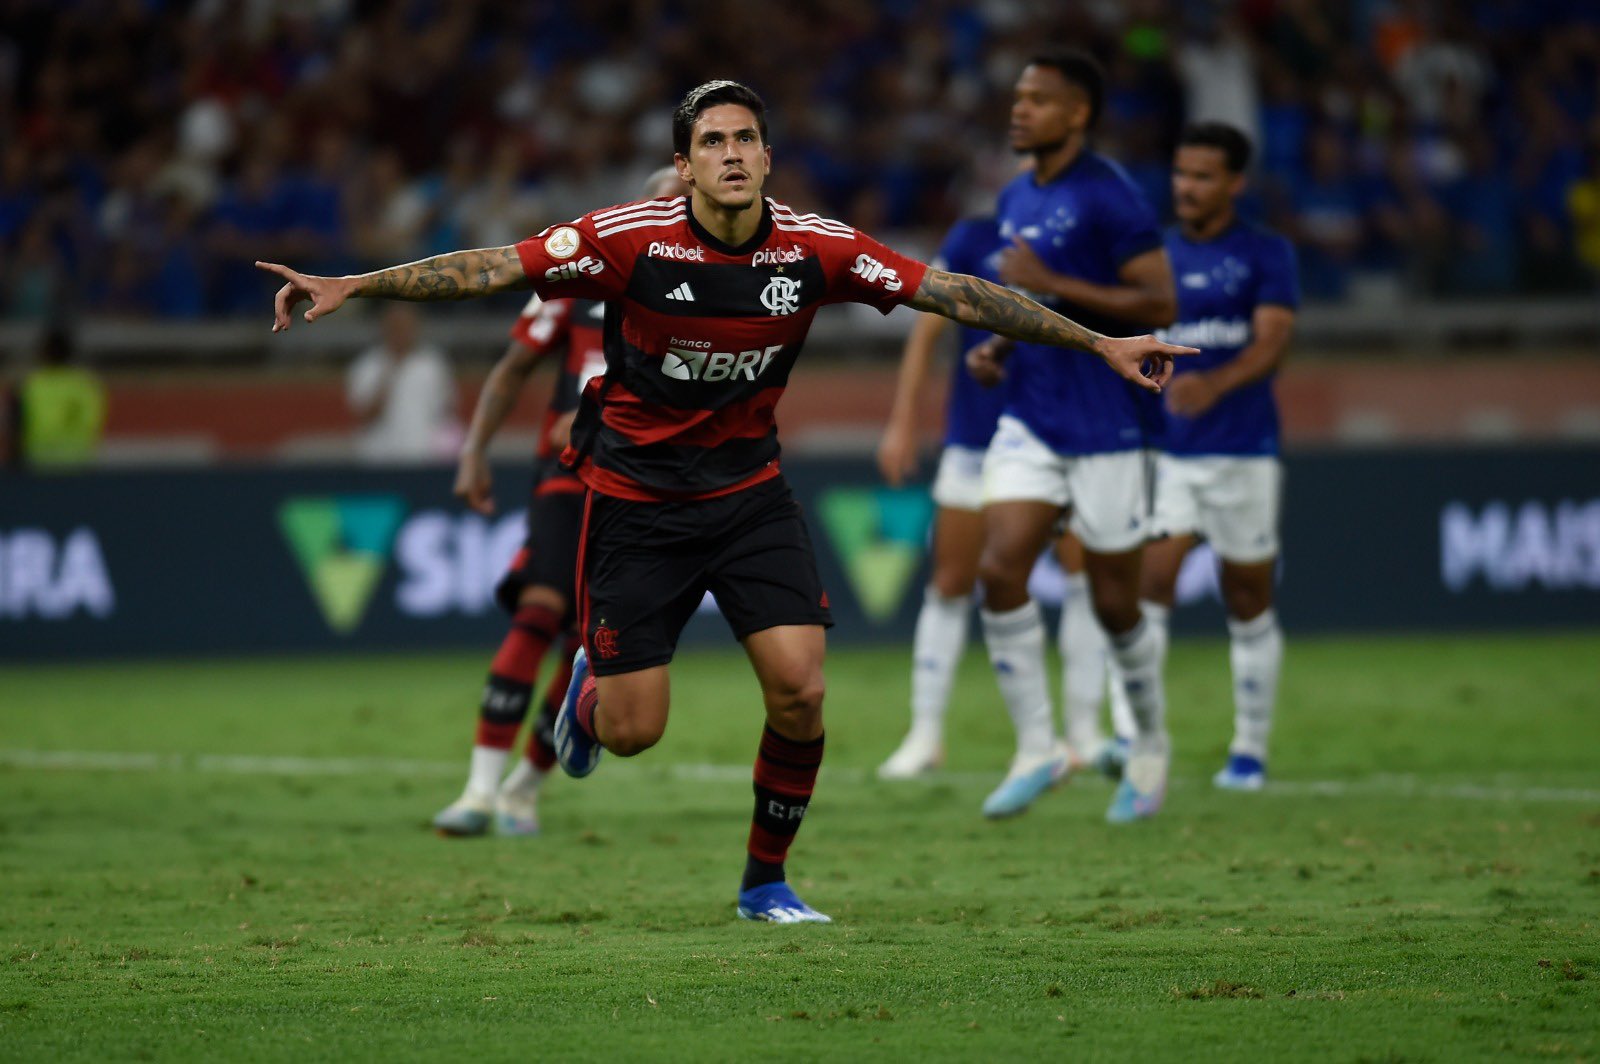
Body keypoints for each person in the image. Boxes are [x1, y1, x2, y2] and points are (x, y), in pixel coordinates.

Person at [257, 80, 1191, 924]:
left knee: (802, 689)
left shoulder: (817, 249)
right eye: (713, 141)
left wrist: (1100, 342)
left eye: (747, 138)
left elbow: (953, 293)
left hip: (750, 496)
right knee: (635, 733)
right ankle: (585, 701)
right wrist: (355, 283)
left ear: (769, 158)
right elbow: (494, 265)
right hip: (634, 504)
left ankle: (764, 883)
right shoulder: (630, 240)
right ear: (684, 163)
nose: (733, 153)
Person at [431, 168, 689, 838]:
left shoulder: (712, 298)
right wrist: (474, 451)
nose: (667, 211)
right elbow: (513, 367)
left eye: (679, 204)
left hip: (647, 487)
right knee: (540, 610)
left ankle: (525, 787)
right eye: (657, 199)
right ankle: (479, 791)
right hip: (569, 477)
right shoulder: (579, 278)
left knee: (588, 643)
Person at [966, 51, 1179, 822]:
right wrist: (1000, 346)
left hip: (1112, 422)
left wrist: (1056, 286)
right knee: (999, 569)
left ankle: (1149, 745)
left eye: (1038, 100)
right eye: (1017, 97)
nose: (1019, 110)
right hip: (1033, 412)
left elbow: (1160, 298)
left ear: (1078, 114)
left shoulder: (1110, 196)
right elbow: (1030, 300)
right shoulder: (1017, 193)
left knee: (1117, 602)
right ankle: (1039, 748)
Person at [1140, 122, 1299, 792]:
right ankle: (1139, 738)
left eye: (1203, 176)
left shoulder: (1267, 253)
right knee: (1152, 580)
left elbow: (1272, 344)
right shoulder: (1155, 257)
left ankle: (1250, 750)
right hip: (1170, 455)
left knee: (1247, 598)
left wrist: (1217, 382)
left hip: (1244, 451)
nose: (1187, 187)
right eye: (1181, 173)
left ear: (1235, 184)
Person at [346, 304, 461, 463]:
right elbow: (365, 415)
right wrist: (390, 372)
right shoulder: (368, 366)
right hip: (377, 458)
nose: (401, 333)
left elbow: (447, 412)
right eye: (395, 327)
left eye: (406, 326)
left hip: (423, 456)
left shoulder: (432, 364)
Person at [17, 327, 106, 469]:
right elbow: (93, 421)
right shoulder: (84, 385)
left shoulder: (32, 385)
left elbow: (19, 424)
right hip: (76, 461)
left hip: (39, 461)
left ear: (43, 353)